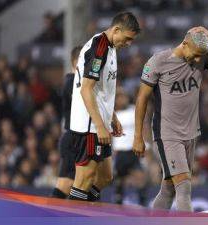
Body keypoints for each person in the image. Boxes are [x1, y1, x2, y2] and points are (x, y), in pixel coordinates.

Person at [133, 26, 208, 211]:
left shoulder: (201, 57)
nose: (198, 60)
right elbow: (141, 100)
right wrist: (138, 136)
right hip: (167, 134)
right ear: (185, 43)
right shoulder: (158, 62)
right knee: (184, 186)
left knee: (169, 188)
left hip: (191, 132)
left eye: (200, 56)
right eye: (195, 55)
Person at [67, 12, 140, 201]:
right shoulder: (99, 47)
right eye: (127, 38)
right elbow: (86, 89)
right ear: (116, 30)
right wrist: (100, 125)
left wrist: (112, 116)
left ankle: (83, 209)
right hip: (89, 125)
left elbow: (101, 90)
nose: (128, 43)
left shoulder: (110, 47)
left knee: (106, 177)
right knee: (84, 180)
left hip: (99, 121)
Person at [51, 46, 82, 199]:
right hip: (72, 139)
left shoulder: (80, 82)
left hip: (79, 139)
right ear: (77, 61)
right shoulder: (71, 82)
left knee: (84, 184)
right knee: (66, 184)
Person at [112, 87, 146, 205]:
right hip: (120, 152)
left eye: (124, 96)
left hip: (133, 151)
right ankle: (118, 202)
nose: (123, 99)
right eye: (120, 97)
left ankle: (143, 204)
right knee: (120, 180)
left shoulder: (134, 110)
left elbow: (143, 127)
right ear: (116, 100)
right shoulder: (113, 114)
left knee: (140, 177)